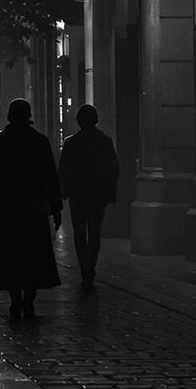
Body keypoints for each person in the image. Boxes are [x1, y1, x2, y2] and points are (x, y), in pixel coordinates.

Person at [0, 98, 63, 319]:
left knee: (11, 254)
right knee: (34, 254)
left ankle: (15, 298)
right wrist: (56, 206)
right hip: (34, 206)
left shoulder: (0, 141)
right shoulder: (39, 141)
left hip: (10, 207)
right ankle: (29, 299)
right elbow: (50, 176)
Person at [58, 104, 120, 290]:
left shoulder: (71, 142)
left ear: (79, 121)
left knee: (79, 234)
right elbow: (113, 169)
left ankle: (85, 268)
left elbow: (64, 170)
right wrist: (111, 192)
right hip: (97, 195)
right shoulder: (105, 141)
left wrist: (64, 192)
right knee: (94, 234)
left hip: (78, 195)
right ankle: (90, 268)